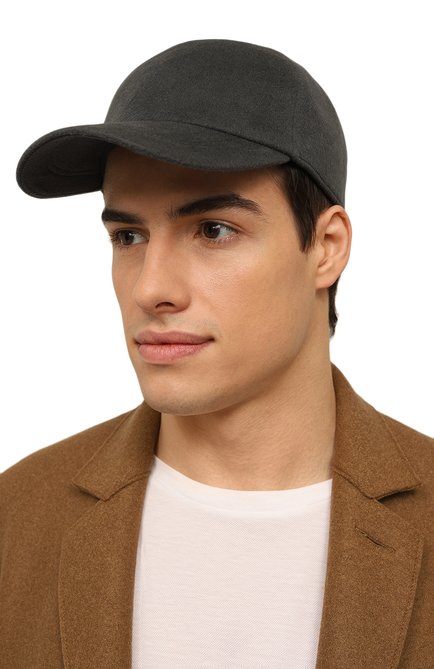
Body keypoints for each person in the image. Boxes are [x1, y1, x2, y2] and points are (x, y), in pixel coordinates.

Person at [1, 39, 433, 669]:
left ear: (327, 247)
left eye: (213, 230)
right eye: (128, 235)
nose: (151, 288)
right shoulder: (17, 518)